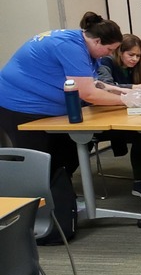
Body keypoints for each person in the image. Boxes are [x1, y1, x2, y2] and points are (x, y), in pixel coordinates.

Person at [0, 11, 126, 177]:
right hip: (21, 105)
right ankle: (46, 199)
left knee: (72, 146)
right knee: (40, 161)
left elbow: (92, 83)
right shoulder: (70, 46)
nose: (110, 54)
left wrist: (124, 90)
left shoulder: (82, 45)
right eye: (110, 49)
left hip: (47, 108)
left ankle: (63, 195)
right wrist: (125, 100)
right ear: (97, 41)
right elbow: (88, 93)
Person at [96, 34, 141, 199]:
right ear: (120, 52)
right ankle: (140, 182)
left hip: (127, 114)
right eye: (131, 55)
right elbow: (106, 86)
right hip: (106, 118)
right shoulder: (106, 62)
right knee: (140, 135)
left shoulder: (136, 67)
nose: (135, 59)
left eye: (138, 56)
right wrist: (133, 86)